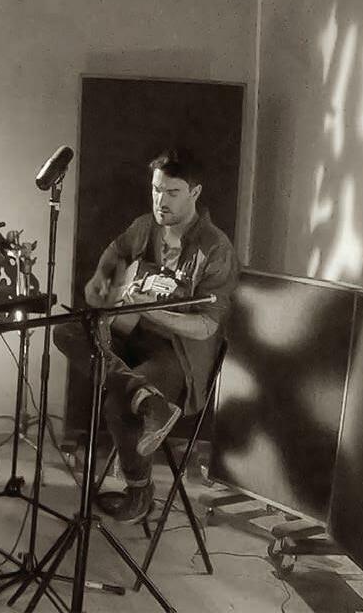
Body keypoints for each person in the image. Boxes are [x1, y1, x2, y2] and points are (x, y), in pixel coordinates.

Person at [55, 148, 239, 524]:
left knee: (118, 404)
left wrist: (152, 310)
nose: (161, 201)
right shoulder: (143, 228)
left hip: (178, 354)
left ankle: (140, 491)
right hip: (130, 338)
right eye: (156, 190)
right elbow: (104, 277)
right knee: (67, 331)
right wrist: (120, 292)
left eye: (172, 192)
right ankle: (145, 398)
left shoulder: (216, 248)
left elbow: (206, 326)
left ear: (195, 193)